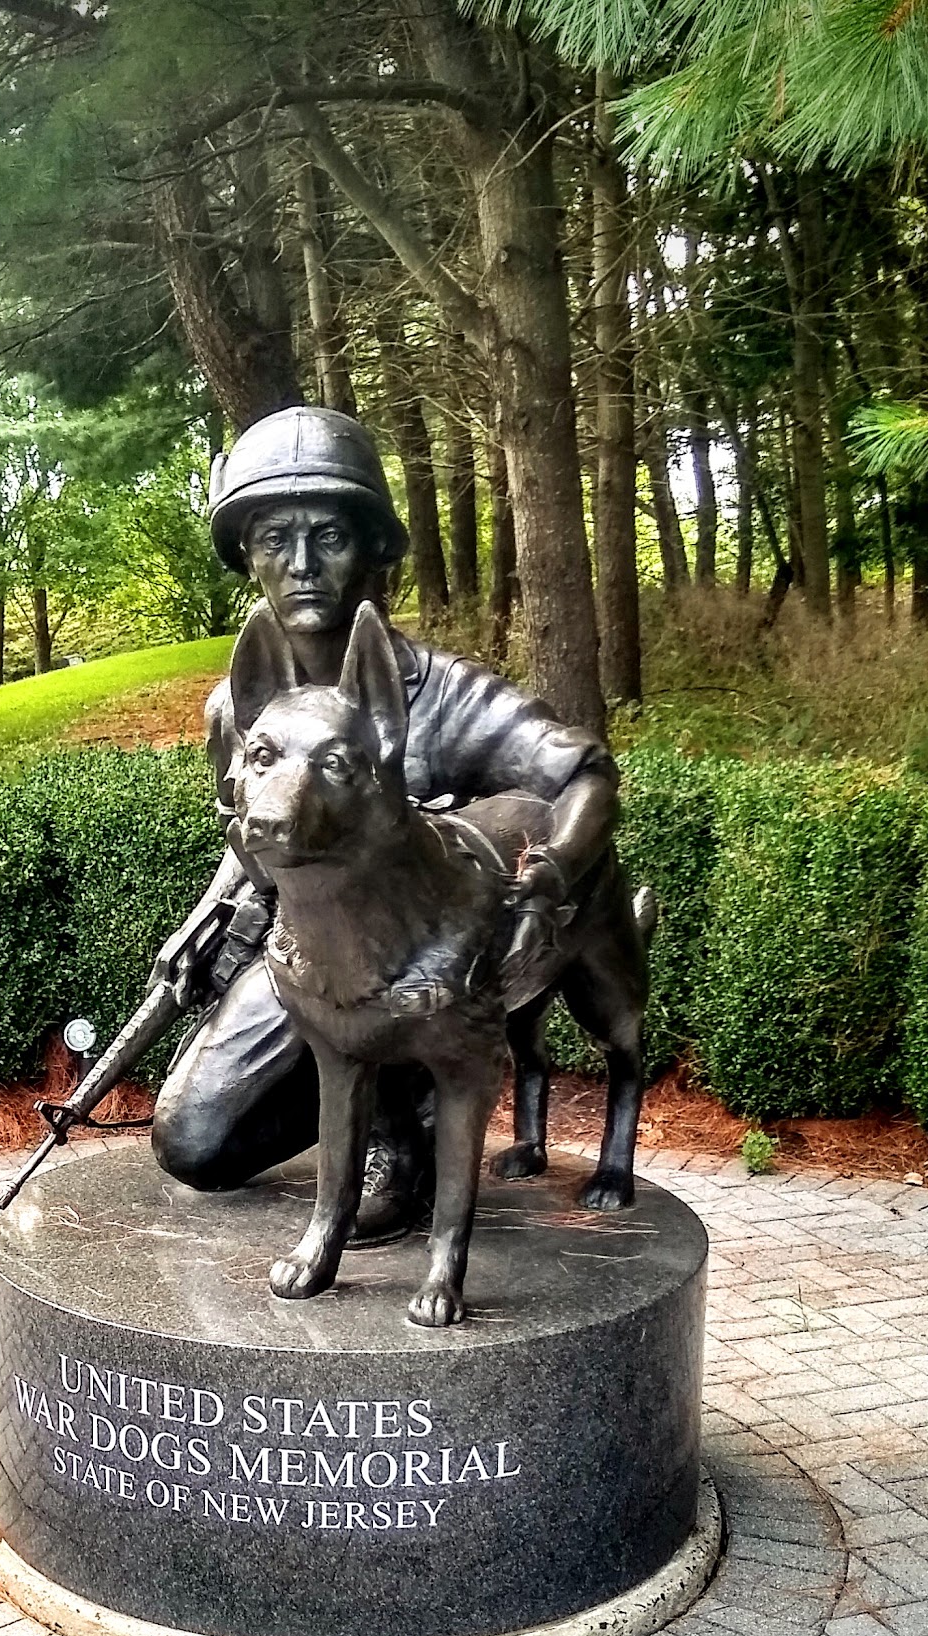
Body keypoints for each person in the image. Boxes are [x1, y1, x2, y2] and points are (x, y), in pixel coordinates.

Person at [150, 405, 620, 1239]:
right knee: (192, 1142)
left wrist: (549, 876)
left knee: (405, 998)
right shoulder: (238, 704)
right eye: (273, 539)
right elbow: (253, 835)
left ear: (372, 547)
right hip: (305, 951)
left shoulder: (446, 694)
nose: (300, 565)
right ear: (246, 557)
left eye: (327, 536)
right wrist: (208, 920)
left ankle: (407, 1120)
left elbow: (583, 772)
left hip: (427, 964)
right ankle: (351, 1089)